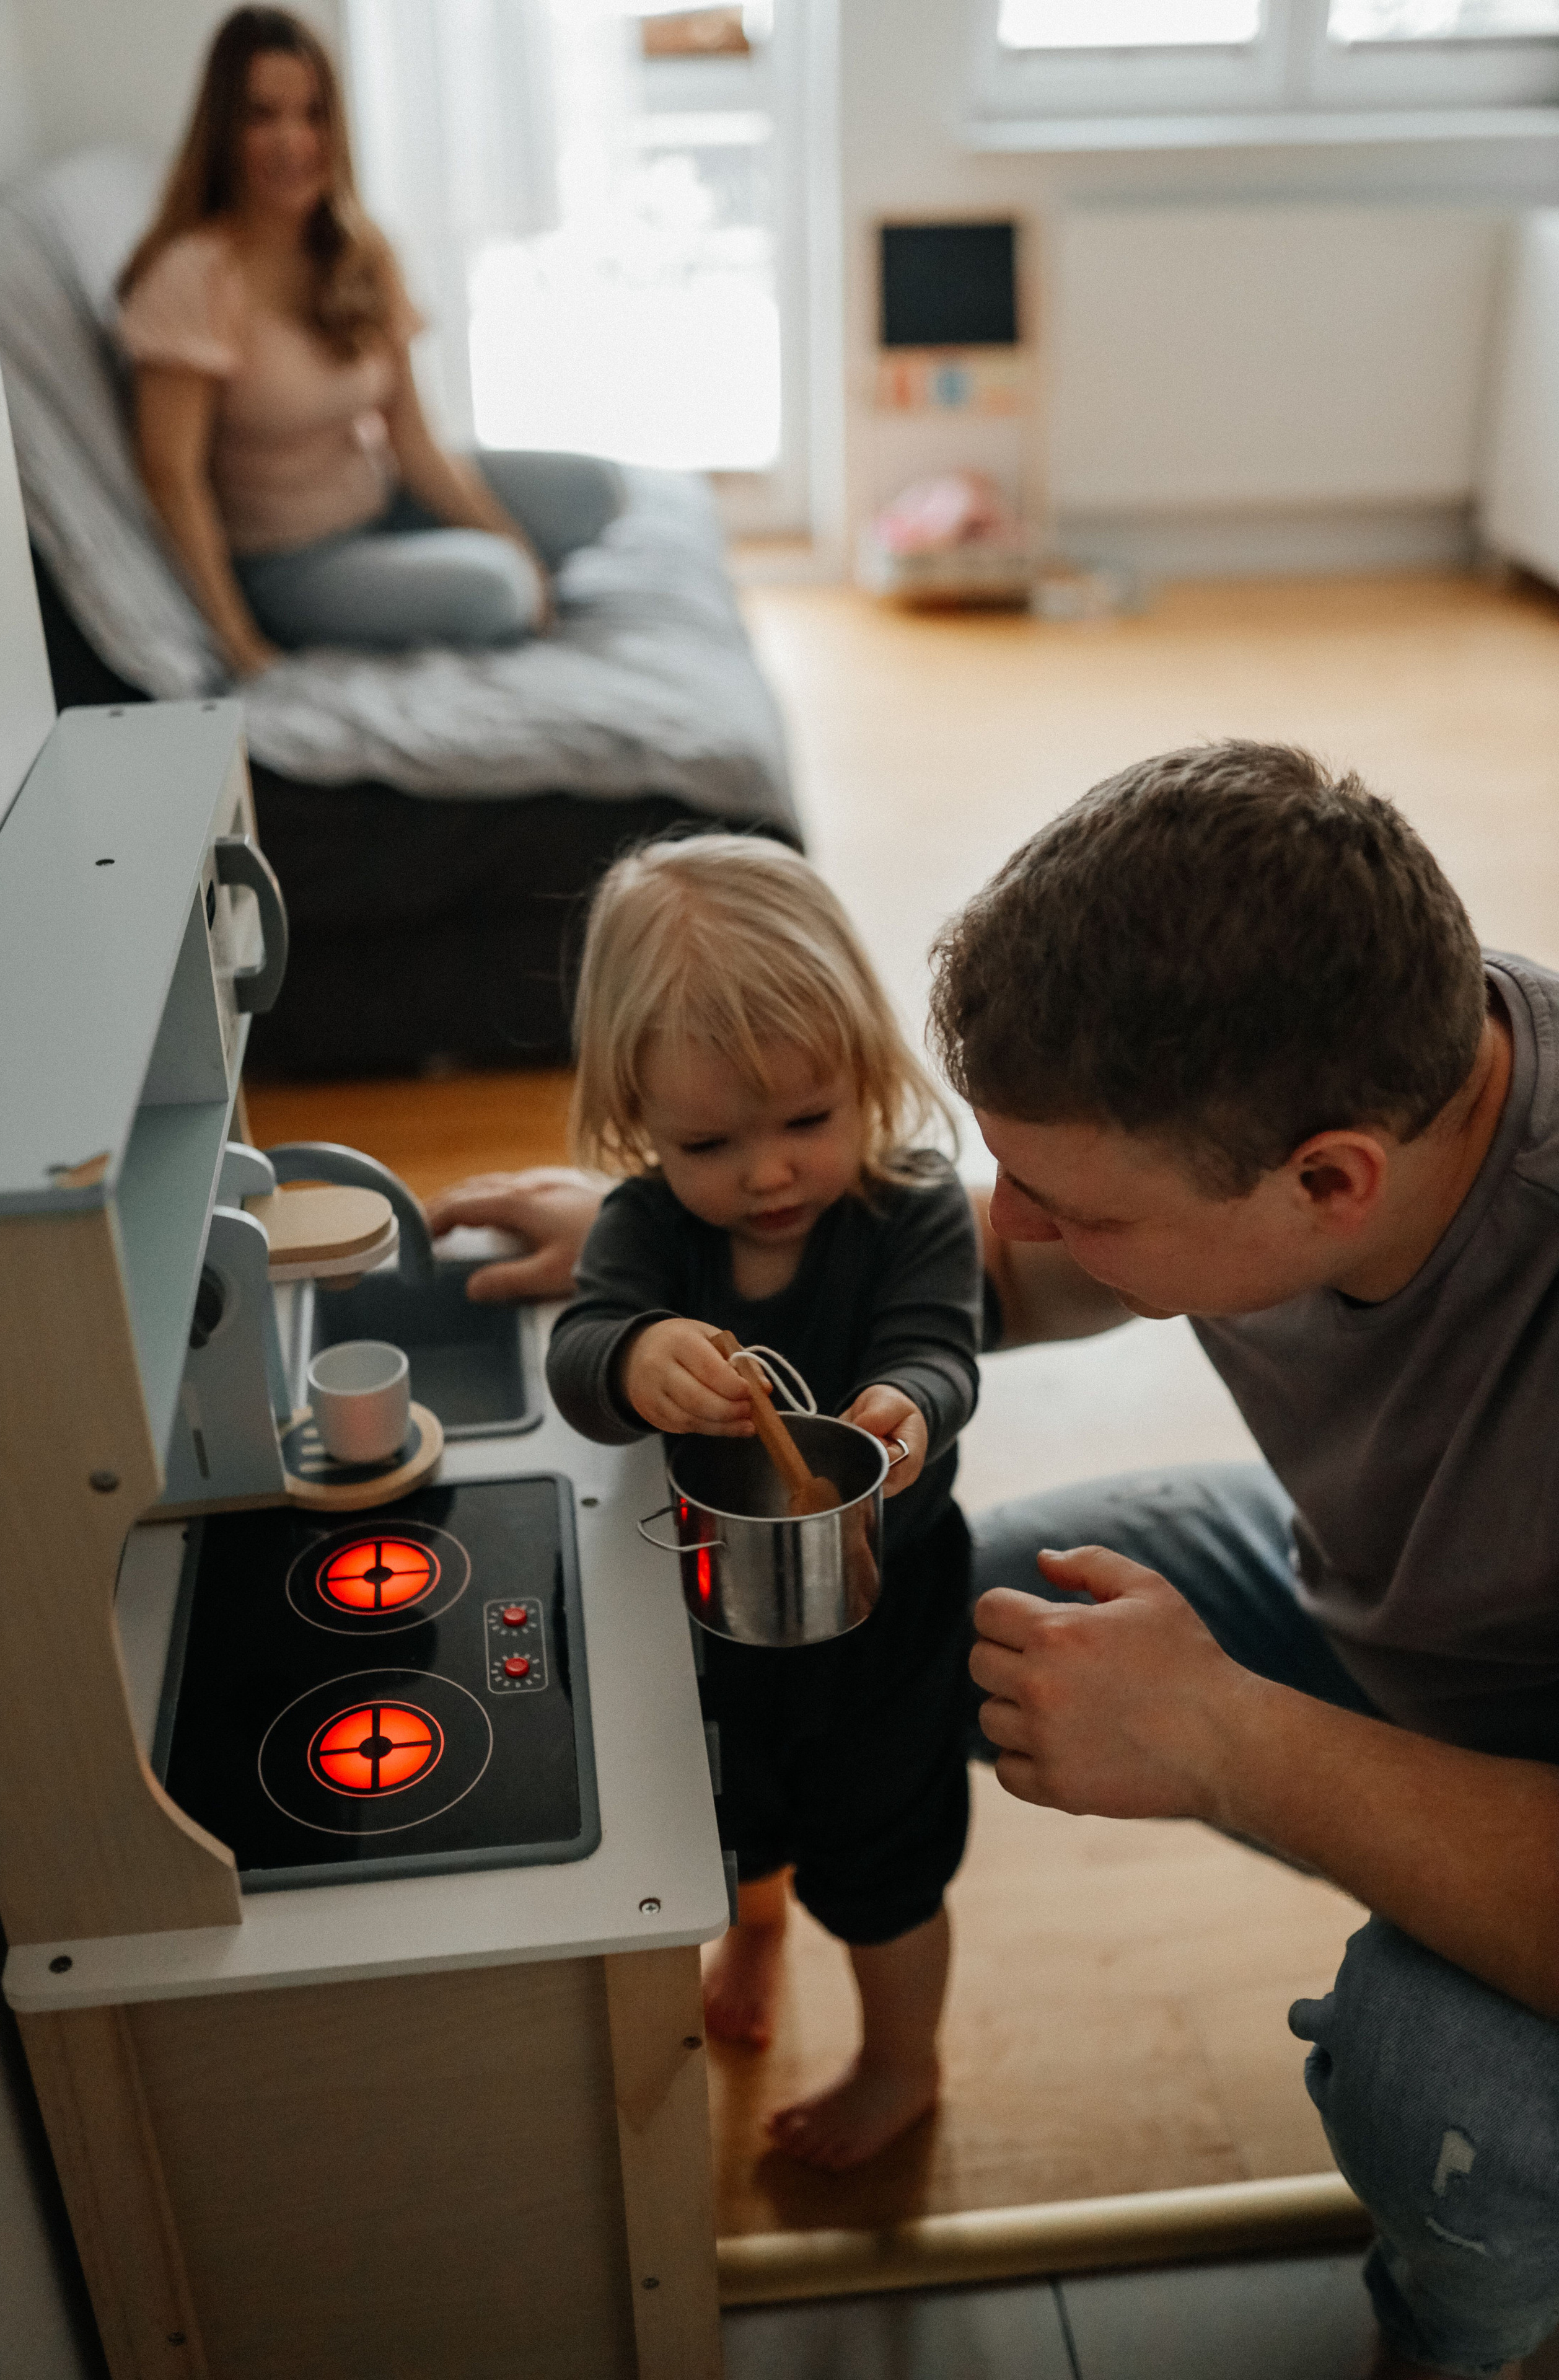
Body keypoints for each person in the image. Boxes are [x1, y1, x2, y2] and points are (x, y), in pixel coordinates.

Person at [426, 744, 1559, 2379]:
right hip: (1383, 1606)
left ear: (1327, 1183)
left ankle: (1459, 2342)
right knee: (948, 1622)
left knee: (1449, 2114)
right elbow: (985, 1273)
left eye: (1066, 1196)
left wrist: (1233, 1741)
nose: (1008, 1222)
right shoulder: (1376, 1069)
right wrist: (675, 1251)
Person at [542, 834, 981, 2172]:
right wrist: (628, 1357)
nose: (769, 1173)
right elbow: (579, 1360)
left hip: (887, 1627)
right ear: (636, 1119)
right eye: (709, 1142)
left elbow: (939, 1350)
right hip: (706, 1624)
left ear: (866, 1067)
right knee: (729, 1814)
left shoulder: (909, 1213)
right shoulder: (642, 1231)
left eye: (807, 1120)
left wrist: (910, 1405)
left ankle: (900, 2064)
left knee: (884, 1863)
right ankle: (756, 1918)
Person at [116, 7, 623, 680]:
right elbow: (170, 478)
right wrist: (239, 642)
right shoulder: (193, 276)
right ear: (223, 131)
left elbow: (412, 438)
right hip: (294, 561)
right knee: (497, 593)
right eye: (261, 116)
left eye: (312, 114)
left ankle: (471, 566)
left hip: (384, 499)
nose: (292, 142)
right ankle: (462, 579)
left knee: (597, 491)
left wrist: (513, 541)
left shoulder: (359, 250)